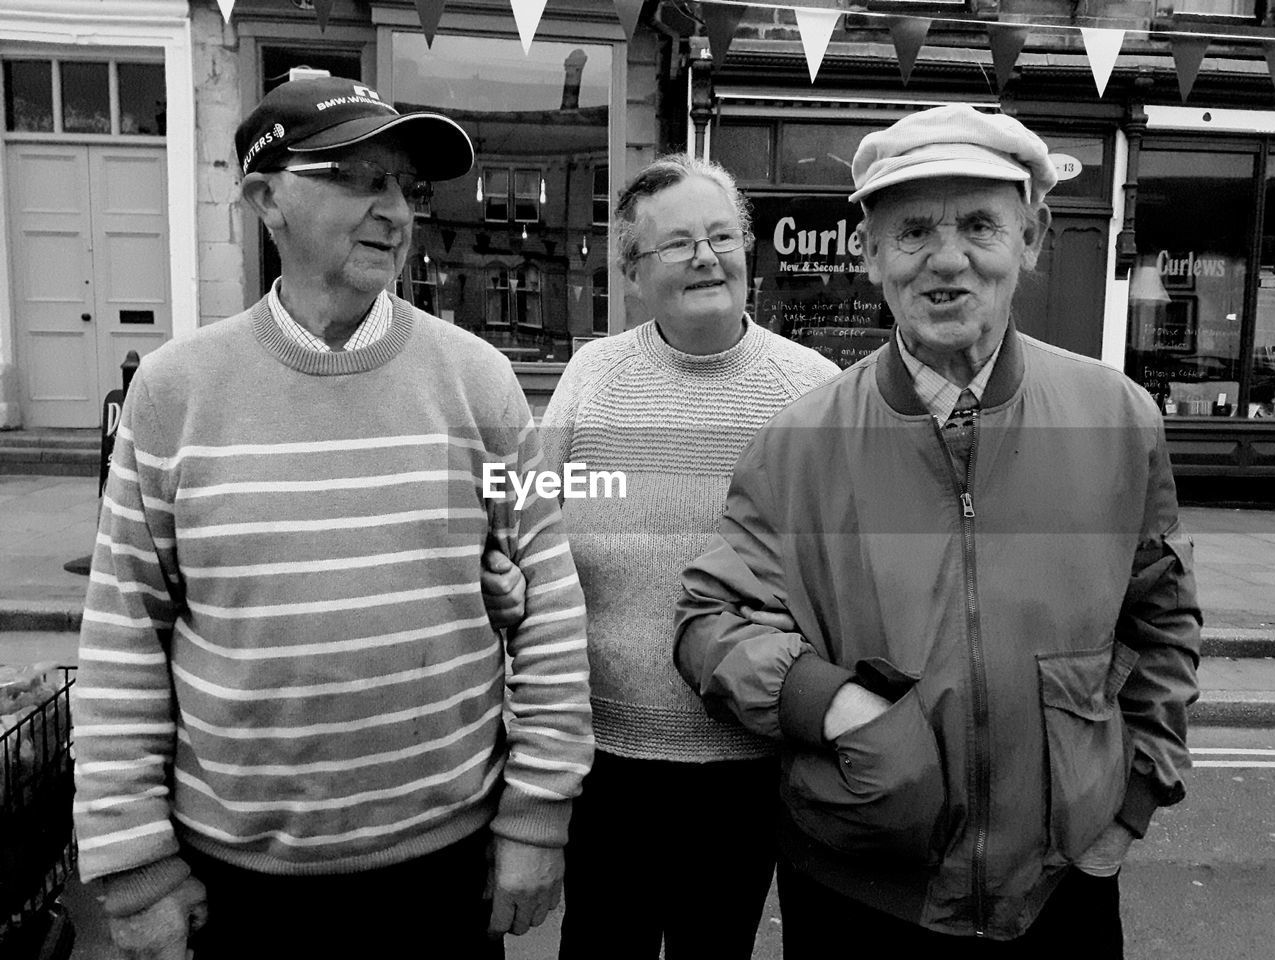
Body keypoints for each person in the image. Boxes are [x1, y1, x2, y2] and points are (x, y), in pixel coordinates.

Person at [71, 77, 592, 960]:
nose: (393, 210)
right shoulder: (174, 392)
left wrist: (538, 817)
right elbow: (123, 633)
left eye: (404, 187)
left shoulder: (478, 381)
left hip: (442, 871)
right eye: (358, 178)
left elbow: (545, 601)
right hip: (240, 888)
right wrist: (135, 867)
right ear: (264, 198)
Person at [675, 105, 1201, 957]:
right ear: (870, 251)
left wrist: (1135, 793)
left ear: (1030, 239)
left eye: (980, 226)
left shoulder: (1116, 418)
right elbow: (711, 622)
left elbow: (1162, 617)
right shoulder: (801, 441)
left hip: (1061, 894)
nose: (947, 259)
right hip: (861, 894)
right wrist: (831, 704)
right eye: (914, 229)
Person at [541, 154, 838, 960]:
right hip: (602, 758)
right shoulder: (593, 376)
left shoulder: (809, 391)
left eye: (722, 236)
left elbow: (844, 573)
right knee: (599, 947)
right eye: (677, 244)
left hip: (743, 763)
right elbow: (527, 509)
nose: (707, 256)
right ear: (633, 273)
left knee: (715, 949)